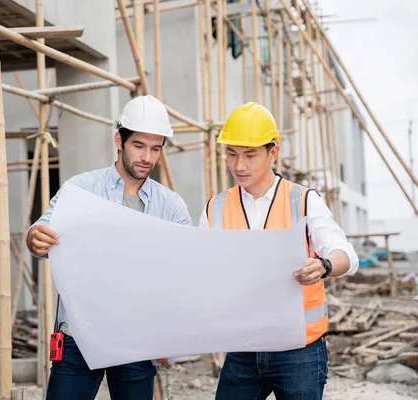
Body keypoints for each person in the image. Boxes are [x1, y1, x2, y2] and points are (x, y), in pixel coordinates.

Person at [27, 95, 192, 400]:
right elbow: (41, 235)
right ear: (119, 140)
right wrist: (35, 237)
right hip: (79, 334)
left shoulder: (171, 207)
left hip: (137, 338)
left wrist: (172, 334)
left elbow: (181, 275)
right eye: (139, 146)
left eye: (155, 148)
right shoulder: (81, 189)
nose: (147, 157)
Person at [200, 102, 359, 400]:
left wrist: (324, 265)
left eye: (250, 155)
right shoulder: (215, 208)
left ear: (273, 153)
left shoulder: (303, 200)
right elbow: (201, 268)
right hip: (243, 349)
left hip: (298, 351)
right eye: (231, 154)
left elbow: (347, 255)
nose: (239, 165)